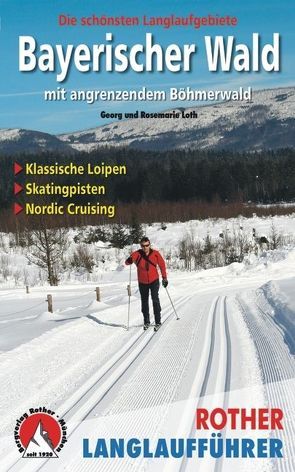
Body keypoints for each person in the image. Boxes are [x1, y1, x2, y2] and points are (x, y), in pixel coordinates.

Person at [125, 236, 168, 331]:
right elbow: (127, 262)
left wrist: (164, 278)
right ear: (141, 246)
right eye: (143, 246)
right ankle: (146, 321)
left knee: (155, 300)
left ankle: (158, 321)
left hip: (154, 281)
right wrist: (129, 260)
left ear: (149, 245)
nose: (145, 247)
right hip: (142, 282)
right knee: (144, 302)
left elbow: (162, 265)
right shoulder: (137, 254)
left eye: (147, 245)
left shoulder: (155, 254)